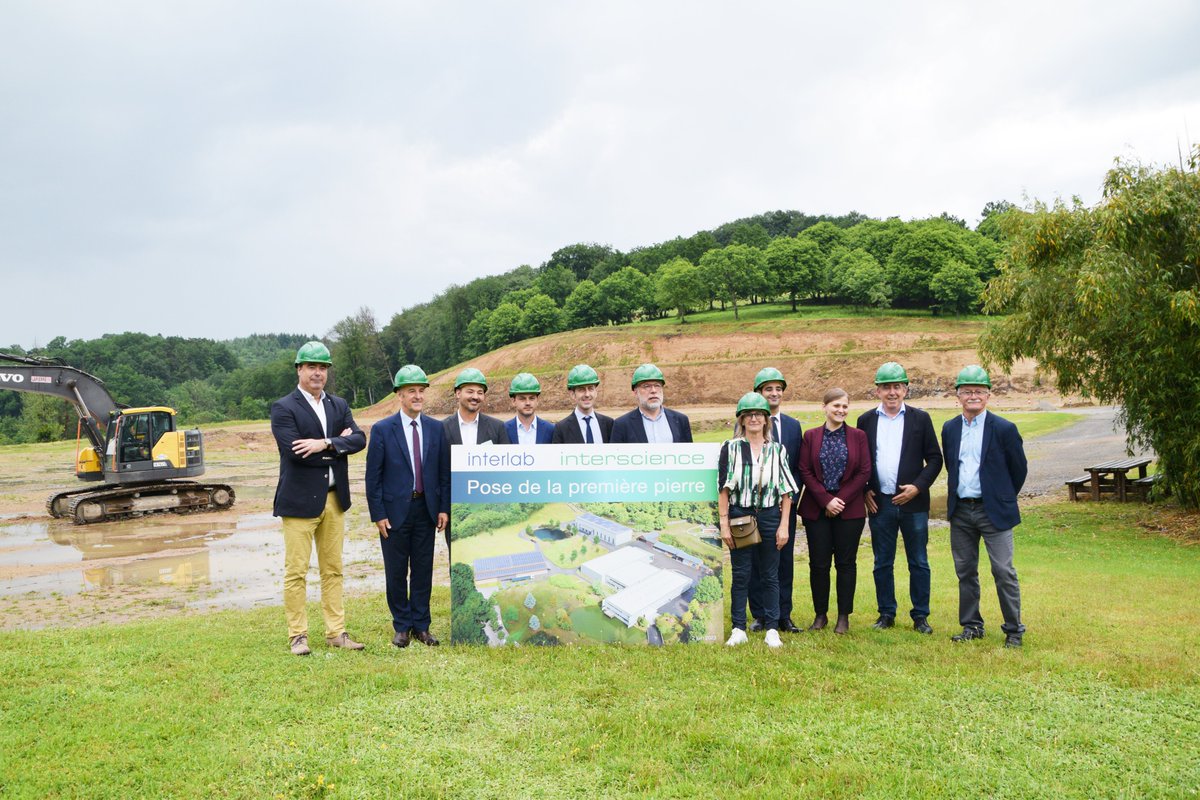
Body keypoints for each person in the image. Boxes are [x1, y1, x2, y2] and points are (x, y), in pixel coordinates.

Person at [270, 341, 367, 656]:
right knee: (296, 570)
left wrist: (324, 443)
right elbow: (294, 450)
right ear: (299, 369)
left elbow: (359, 439)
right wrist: (337, 446)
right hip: (299, 502)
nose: (317, 373)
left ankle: (336, 632)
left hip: (334, 500)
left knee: (333, 568)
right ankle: (298, 635)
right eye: (311, 366)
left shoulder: (338, 405)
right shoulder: (284, 407)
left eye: (322, 367)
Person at [942, 365, 1028, 648]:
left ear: (989, 395)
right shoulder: (950, 428)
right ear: (958, 395)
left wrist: (1000, 496)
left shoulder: (1004, 428)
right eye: (967, 391)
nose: (973, 396)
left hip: (994, 512)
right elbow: (952, 466)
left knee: (1003, 571)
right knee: (965, 571)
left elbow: (1018, 470)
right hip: (962, 511)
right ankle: (971, 625)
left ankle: (1013, 630)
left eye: (978, 391)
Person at [365, 364, 451, 648]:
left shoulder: (436, 429)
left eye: (420, 391)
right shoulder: (382, 430)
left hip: (425, 510)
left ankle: (422, 626)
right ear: (399, 395)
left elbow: (443, 473)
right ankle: (401, 626)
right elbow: (373, 477)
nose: (417, 396)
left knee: (424, 570)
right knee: (396, 571)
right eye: (411, 391)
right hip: (394, 514)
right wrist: (378, 514)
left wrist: (443, 508)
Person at [856, 362, 943, 634]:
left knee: (918, 560)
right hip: (880, 503)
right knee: (883, 561)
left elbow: (935, 459)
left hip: (913, 504)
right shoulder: (866, 420)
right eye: (886, 387)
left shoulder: (920, 419)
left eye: (897, 386)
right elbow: (860, 461)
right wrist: (864, 489)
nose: (892, 392)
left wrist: (918, 487)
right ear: (877, 391)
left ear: (905, 389)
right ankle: (886, 613)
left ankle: (920, 616)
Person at [718, 393, 798, 648]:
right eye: (748, 414)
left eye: (759, 414)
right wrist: (724, 524)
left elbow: (787, 492)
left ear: (766, 419)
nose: (754, 418)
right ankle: (738, 627)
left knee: (770, 574)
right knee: (741, 573)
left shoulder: (777, 450)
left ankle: (772, 628)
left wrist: (784, 525)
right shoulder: (730, 448)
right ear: (741, 419)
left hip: (770, 515)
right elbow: (723, 489)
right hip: (740, 514)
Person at [798, 387, 871, 635]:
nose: (841, 410)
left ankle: (843, 616)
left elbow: (864, 471)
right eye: (836, 406)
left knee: (846, 563)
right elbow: (805, 470)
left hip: (849, 510)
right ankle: (820, 615)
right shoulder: (810, 436)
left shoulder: (858, 436)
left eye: (844, 406)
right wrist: (825, 500)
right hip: (816, 510)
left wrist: (839, 499)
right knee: (818, 564)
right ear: (824, 407)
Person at [747, 367, 804, 634]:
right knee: (756, 561)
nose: (774, 393)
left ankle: (784, 614)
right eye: (768, 389)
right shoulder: (745, 423)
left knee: (784, 561)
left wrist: (789, 499)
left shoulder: (793, 426)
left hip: (784, 508)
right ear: (758, 393)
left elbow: (798, 468)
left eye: (778, 389)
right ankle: (759, 614)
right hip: (753, 508)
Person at [609, 363, 693, 443]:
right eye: (646, 386)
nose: (653, 390)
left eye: (657, 385)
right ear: (635, 392)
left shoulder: (680, 420)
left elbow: (690, 454)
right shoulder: (622, 425)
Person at [442, 368, 510, 447]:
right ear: (458, 393)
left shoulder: (497, 427)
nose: (475, 397)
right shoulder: (442, 428)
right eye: (470, 392)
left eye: (480, 393)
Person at [551, 364, 614, 444]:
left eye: (590, 389)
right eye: (581, 390)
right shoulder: (561, 429)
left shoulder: (609, 424)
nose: (587, 394)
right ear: (572, 394)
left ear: (596, 392)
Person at [504, 372, 553, 445]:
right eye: (522, 399)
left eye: (532, 398)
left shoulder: (550, 429)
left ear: (537, 400)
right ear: (513, 401)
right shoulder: (503, 430)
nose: (528, 403)